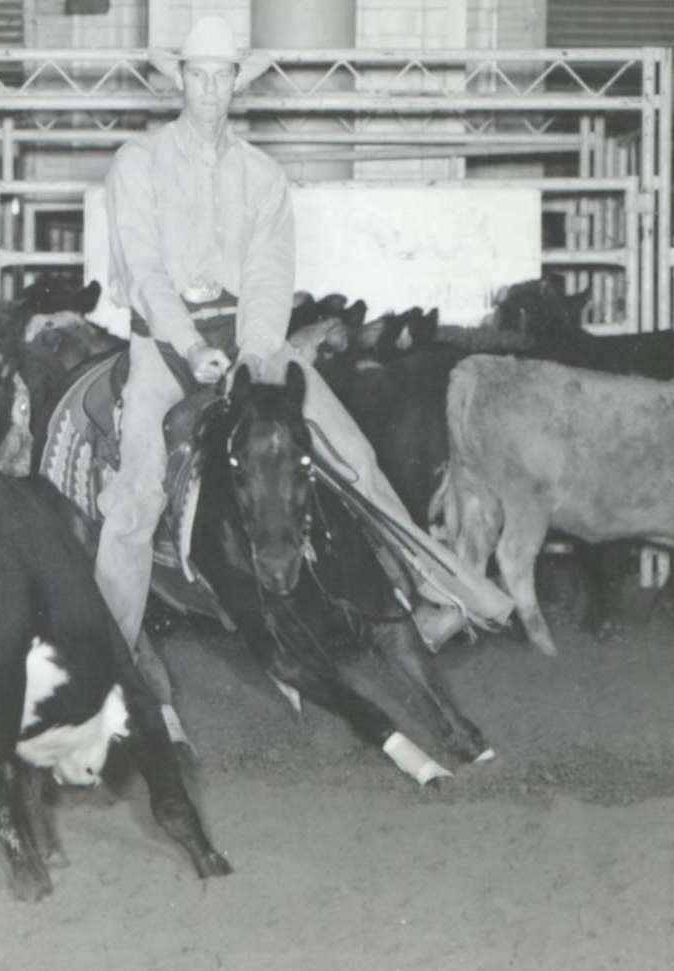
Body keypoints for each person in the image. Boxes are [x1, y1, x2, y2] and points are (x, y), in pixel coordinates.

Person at [95, 15, 513, 692]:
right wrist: (194, 345)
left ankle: (451, 595)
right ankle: (107, 672)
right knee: (135, 502)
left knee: (359, 459)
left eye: (220, 76)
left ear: (237, 83)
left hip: (248, 343)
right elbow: (144, 271)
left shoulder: (262, 176)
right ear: (179, 81)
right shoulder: (137, 164)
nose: (208, 90)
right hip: (163, 349)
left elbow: (268, 276)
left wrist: (256, 353)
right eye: (196, 76)